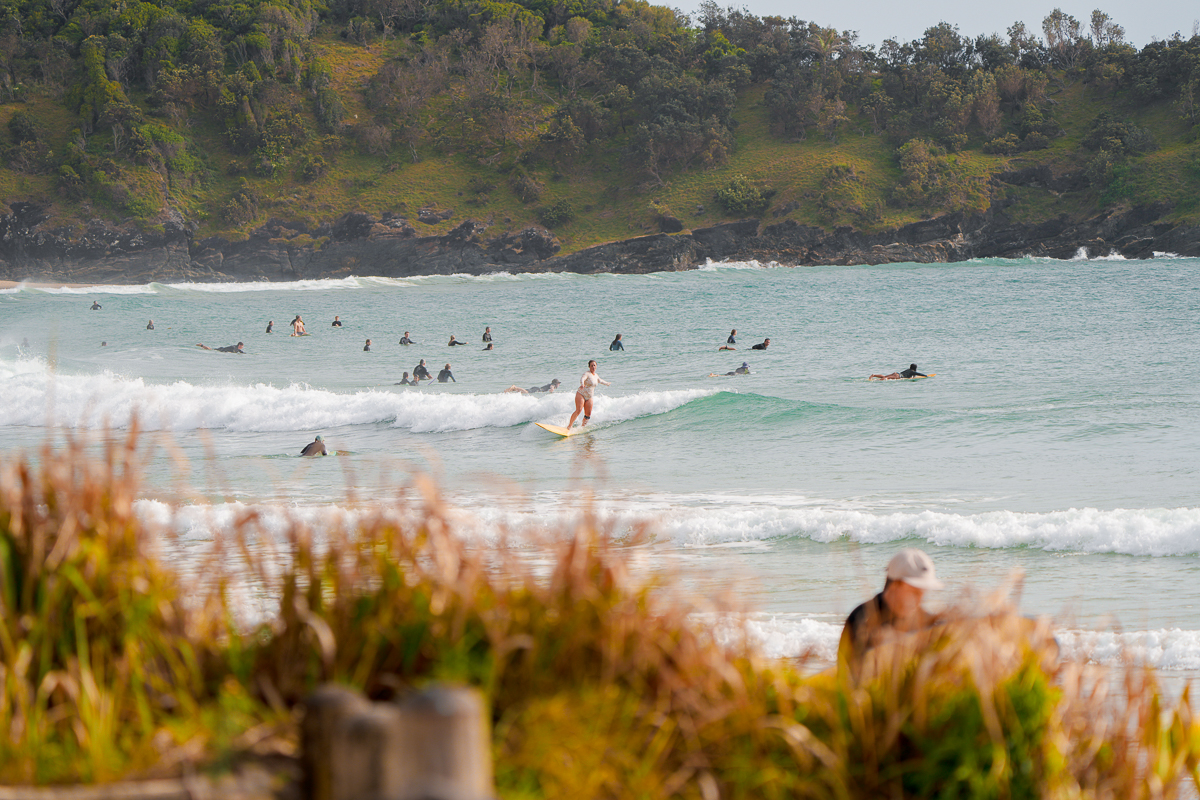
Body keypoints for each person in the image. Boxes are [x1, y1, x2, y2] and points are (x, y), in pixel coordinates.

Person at [839, 549, 944, 675]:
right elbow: (846, 674)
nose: (919, 601)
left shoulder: (927, 622)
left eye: (922, 593)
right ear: (895, 584)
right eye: (915, 592)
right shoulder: (862, 620)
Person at [567, 360, 610, 429]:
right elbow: (582, 378)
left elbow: (600, 380)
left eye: (594, 365)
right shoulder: (587, 374)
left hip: (589, 397)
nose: (593, 367)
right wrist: (582, 384)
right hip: (581, 394)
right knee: (579, 410)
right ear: (589, 367)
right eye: (591, 365)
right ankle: (569, 426)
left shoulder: (596, 375)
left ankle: (582, 427)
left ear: (596, 366)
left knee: (588, 415)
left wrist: (607, 383)